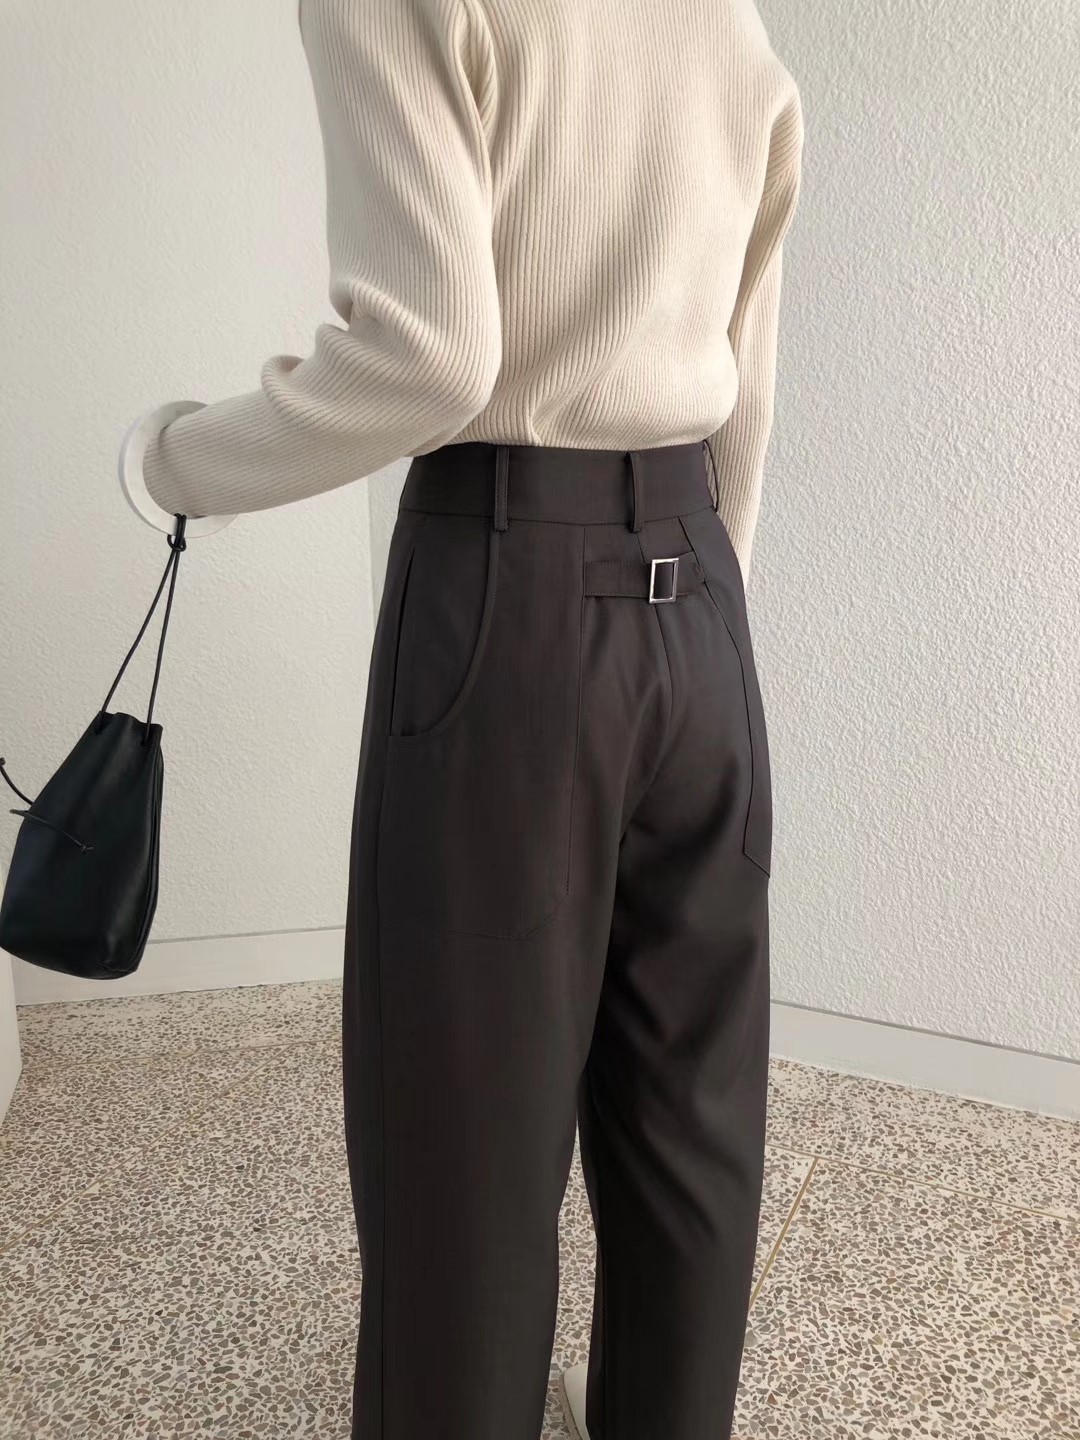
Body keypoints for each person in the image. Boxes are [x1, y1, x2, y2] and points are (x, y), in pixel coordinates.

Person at [134, 1, 803, 1436]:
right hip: (704, 600)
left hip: (509, 587)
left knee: (463, 1144)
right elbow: (744, 362)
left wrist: (181, 461)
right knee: (691, 1129)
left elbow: (430, 357)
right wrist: (697, 610)